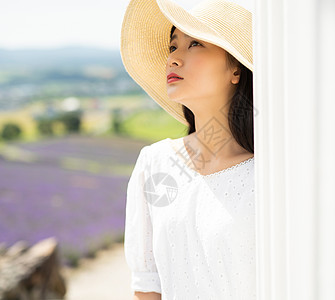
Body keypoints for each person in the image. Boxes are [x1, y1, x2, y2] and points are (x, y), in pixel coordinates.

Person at [120, 0, 255, 299]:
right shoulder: (154, 164)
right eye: (173, 47)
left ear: (235, 68)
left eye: (194, 44)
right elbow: (147, 286)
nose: (174, 60)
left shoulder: (268, 173)